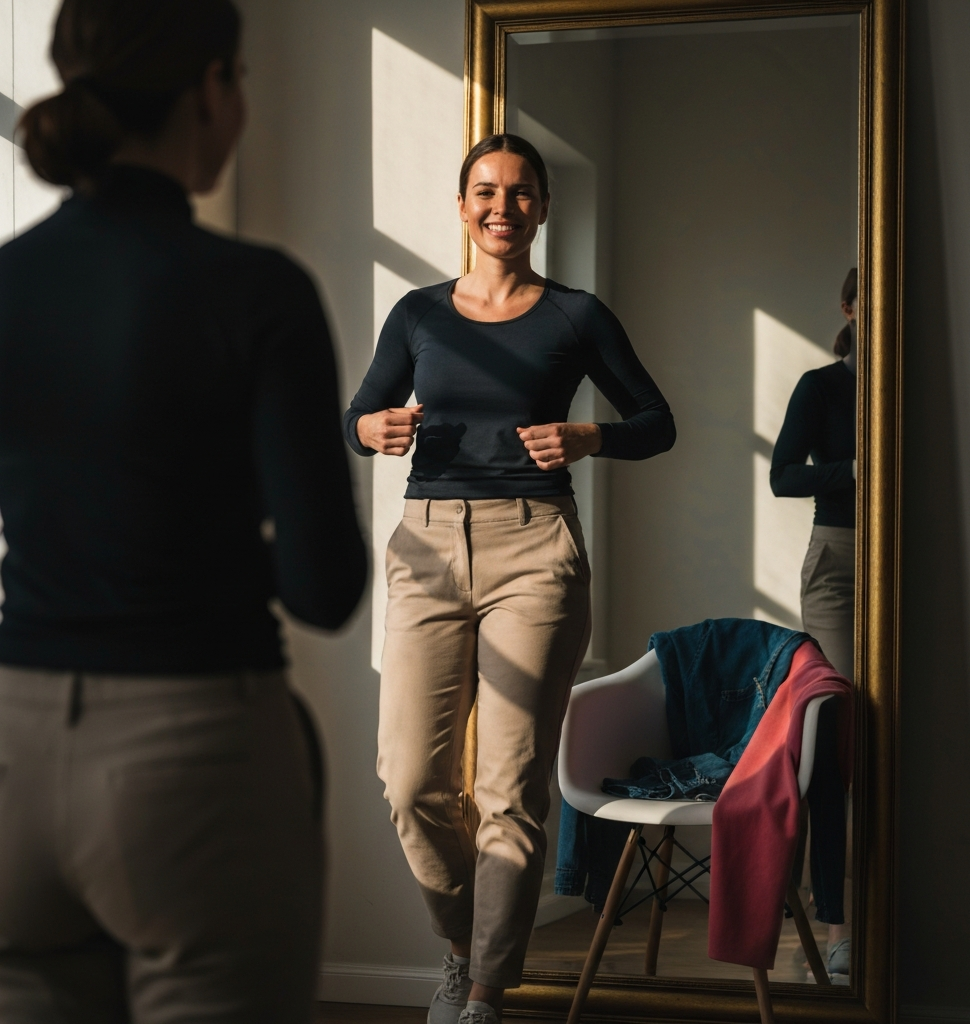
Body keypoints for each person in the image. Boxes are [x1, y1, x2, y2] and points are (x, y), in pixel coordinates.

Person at [0, 1, 367, 1021]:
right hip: (193, 754)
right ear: (211, 86)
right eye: (240, 78)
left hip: (12, 745)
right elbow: (324, 588)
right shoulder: (257, 291)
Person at [345, 134, 675, 1024]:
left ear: (542, 209)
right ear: (462, 207)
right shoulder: (417, 313)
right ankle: (464, 947)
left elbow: (656, 421)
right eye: (486, 191)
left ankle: (486, 994)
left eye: (521, 192)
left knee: (508, 787)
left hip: (535, 548)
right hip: (426, 546)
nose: (503, 206)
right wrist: (372, 429)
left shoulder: (575, 315)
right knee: (409, 780)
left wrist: (589, 436)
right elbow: (360, 413)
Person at [769, 267, 857, 979]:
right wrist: (858, 469)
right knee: (833, 733)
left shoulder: (920, 384)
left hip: (912, 558)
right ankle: (836, 924)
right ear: (850, 309)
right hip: (840, 564)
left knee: (895, 740)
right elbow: (783, 476)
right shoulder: (822, 386)